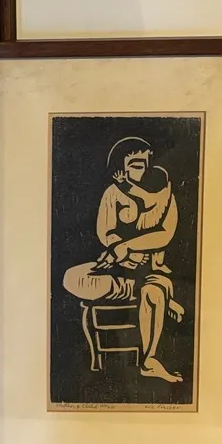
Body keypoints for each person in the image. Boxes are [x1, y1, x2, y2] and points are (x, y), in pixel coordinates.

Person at [62, 137, 184, 382]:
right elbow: (105, 231)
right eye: (137, 165)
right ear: (123, 169)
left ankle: (149, 362)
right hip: (118, 273)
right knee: (72, 277)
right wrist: (119, 249)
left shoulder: (166, 193)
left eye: (148, 163)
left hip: (151, 271)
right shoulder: (112, 193)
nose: (145, 170)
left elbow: (165, 234)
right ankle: (147, 293)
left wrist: (128, 247)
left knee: (153, 292)